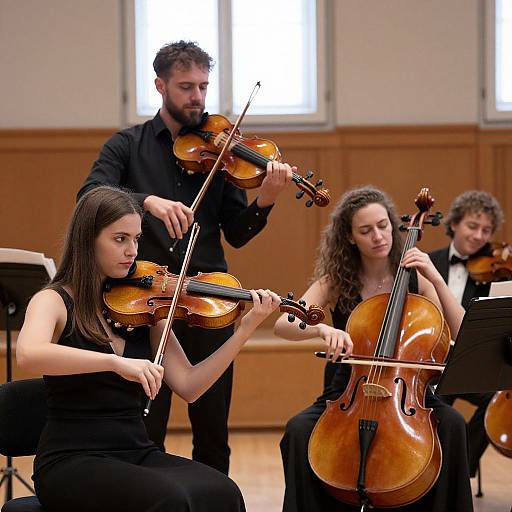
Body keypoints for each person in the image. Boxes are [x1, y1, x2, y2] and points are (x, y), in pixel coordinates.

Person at [77, 40, 293, 474]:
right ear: (160, 86)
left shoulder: (225, 151)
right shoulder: (126, 145)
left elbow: (237, 233)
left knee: (213, 430)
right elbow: (90, 197)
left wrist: (264, 202)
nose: (197, 97)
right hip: (142, 296)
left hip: (208, 294)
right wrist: (146, 202)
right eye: (185, 86)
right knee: (146, 425)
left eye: (203, 86)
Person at [16, 186, 282, 512]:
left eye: (137, 239)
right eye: (120, 239)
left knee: (222, 492)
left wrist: (245, 330)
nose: (132, 250)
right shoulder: (54, 301)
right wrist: (115, 363)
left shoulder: (146, 308)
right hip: (71, 458)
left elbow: (189, 385)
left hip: (135, 450)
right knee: (168, 500)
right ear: (88, 239)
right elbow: (28, 354)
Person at [274, 186, 474, 512]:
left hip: (409, 391)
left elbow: (461, 329)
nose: (378, 236)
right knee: (298, 431)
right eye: (366, 231)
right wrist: (323, 329)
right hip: (347, 390)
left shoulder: (415, 277)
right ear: (350, 237)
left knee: (452, 424)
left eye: (383, 226)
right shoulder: (337, 280)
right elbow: (285, 324)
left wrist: (436, 279)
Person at [429, 190, 504, 478]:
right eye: (472, 226)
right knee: (431, 407)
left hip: (473, 362)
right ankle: (427, 471)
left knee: (494, 404)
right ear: (455, 224)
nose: (478, 236)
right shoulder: (428, 262)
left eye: (486, 230)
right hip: (435, 360)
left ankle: (458, 471)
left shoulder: (498, 270)